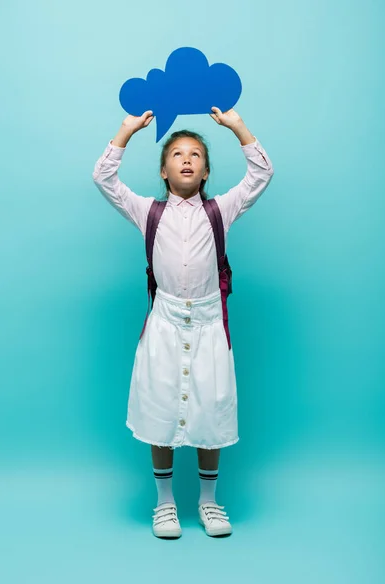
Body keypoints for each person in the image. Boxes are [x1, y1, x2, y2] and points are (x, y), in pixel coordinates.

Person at [92, 106, 274, 538]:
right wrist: (127, 130)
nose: (187, 159)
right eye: (177, 154)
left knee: (210, 409)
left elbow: (261, 174)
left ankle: (209, 503)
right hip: (164, 325)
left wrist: (236, 126)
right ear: (163, 170)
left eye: (195, 154)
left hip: (210, 325)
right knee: (161, 406)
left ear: (207, 172)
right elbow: (104, 179)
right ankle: (165, 503)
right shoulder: (146, 212)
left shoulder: (221, 211)